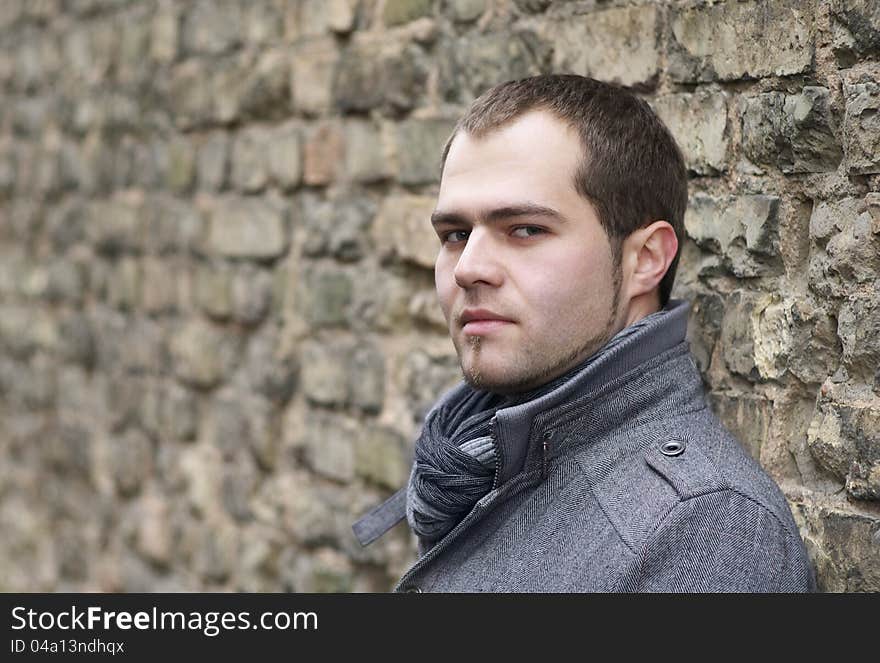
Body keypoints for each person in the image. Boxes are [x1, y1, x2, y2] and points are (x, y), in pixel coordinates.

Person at [353, 74, 816, 592]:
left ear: (646, 259)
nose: (468, 268)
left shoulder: (706, 529)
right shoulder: (468, 459)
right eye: (456, 234)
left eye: (525, 229)